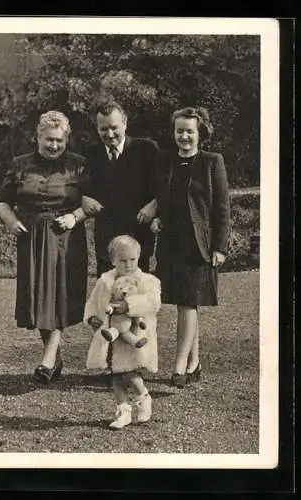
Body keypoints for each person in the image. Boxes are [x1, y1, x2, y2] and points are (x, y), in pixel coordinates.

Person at [0, 111, 102, 384]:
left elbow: (93, 203)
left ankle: (48, 357)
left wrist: (75, 216)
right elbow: (3, 201)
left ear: (66, 140)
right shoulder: (20, 165)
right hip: (31, 238)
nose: (53, 145)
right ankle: (53, 358)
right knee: (38, 298)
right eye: (48, 140)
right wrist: (10, 220)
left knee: (59, 297)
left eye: (59, 140)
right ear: (38, 138)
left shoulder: (78, 166)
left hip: (66, 239)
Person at [150, 106, 230, 388]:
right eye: (179, 131)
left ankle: (180, 366)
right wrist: (158, 219)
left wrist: (220, 246)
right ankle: (194, 362)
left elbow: (222, 207)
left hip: (199, 245)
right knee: (185, 303)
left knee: (187, 303)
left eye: (190, 131)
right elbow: (164, 197)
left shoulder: (212, 161)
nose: (184, 136)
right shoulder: (166, 161)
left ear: (200, 133)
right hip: (171, 243)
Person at [84, 235, 161, 430]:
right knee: (116, 375)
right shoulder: (105, 281)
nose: (128, 265)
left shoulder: (147, 281)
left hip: (133, 334)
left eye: (132, 260)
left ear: (139, 257)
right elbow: (93, 301)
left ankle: (143, 396)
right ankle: (123, 409)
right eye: (122, 261)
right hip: (111, 336)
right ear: (113, 261)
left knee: (130, 372)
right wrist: (92, 316)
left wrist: (129, 305)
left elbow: (153, 302)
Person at [84, 99, 160, 277]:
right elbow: (80, 186)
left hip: (138, 233)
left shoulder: (147, 149)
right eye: (103, 129)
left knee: (137, 293)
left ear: (125, 124)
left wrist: (154, 205)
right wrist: (83, 197)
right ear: (97, 128)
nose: (109, 134)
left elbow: (165, 185)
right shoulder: (91, 154)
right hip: (107, 237)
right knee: (109, 291)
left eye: (114, 127)